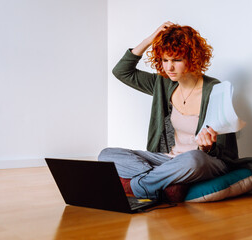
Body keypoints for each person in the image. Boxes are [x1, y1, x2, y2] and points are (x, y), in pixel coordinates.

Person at [98, 22, 239, 199]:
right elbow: (122, 71)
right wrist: (150, 40)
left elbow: (226, 152)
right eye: (165, 60)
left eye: (176, 60)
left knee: (193, 159)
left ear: (192, 57)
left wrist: (208, 148)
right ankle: (162, 180)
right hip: (168, 160)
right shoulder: (163, 83)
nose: (169, 67)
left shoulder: (214, 89)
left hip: (203, 161)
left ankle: (142, 185)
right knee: (106, 155)